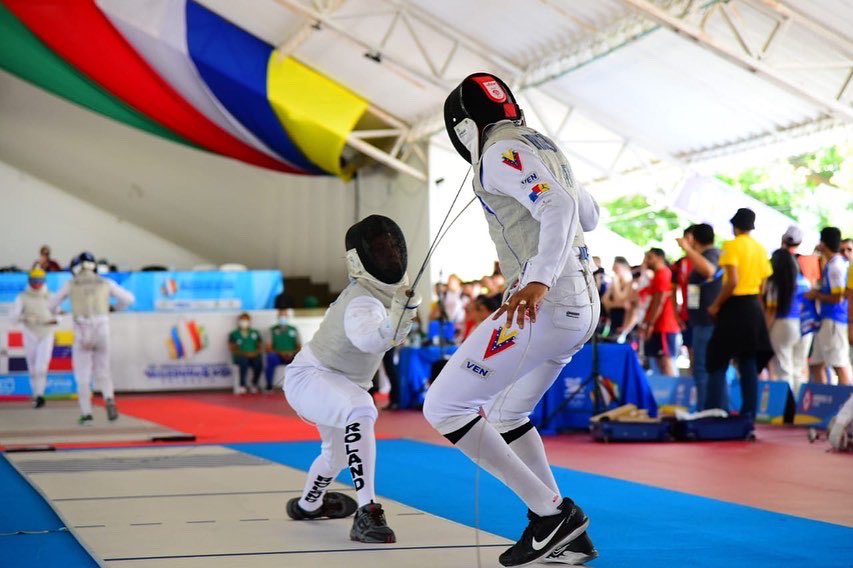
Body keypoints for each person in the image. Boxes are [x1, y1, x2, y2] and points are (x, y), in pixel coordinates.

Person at [425, 72, 599, 567]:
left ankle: (551, 516)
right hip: (582, 305)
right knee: (505, 415)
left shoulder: (500, 153)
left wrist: (538, 278)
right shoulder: (542, 145)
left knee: (444, 407)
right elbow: (589, 214)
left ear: (463, 126)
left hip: (544, 305)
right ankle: (566, 537)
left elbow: (560, 205)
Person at [284, 215, 419, 543]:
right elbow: (370, 341)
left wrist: (400, 315)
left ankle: (308, 505)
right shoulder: (362, 300)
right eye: (380, 250)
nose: (390, 255)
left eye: (392, 248)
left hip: (338, 383)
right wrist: (399, 319)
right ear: (361, 260)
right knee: (361, 408)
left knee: (338, 456)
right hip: (312, 376)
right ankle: (367, 510)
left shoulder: (382, 295)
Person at [49, 252, 134, 425]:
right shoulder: (106, 282)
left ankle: (87, 414)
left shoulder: (70, 284)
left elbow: (50, 305)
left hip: (82, 330)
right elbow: (129, 299)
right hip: (102, 328)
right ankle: (109, 398)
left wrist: (59, 312)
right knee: (103, 371)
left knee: (83, 375)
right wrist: (113, 308)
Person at [705, 209, 773, 418]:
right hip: (753, 306)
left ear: (735, 226)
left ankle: (715, 409)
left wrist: (716, 304)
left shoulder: (731, 245)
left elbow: (732, 281)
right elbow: (763, 285)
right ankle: (748, 413)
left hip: (734, 306)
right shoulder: (760, 249)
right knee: (748, 360)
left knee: (717, 358)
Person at [676, 223, 721, 410]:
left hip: (706, 321)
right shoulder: (704, 256)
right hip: (699, 320)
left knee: (702, 367)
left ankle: (705, 409)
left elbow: (709, 270)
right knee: (700, 366)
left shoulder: (712, 255)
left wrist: (688, 249)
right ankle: (706, 407)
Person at [807, 227, 850, 385]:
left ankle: (847, 398)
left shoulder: (836, 266)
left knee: (839, 365)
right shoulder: (832, 264)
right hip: (826, 319)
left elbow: (838, 297)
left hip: (834, 320)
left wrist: (816, 295)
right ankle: (823, 397)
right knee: (816, 365)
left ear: (823, 243)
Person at [10, 268, 57, 408]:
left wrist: (54, 320)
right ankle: (36, 395)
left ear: (44, 281)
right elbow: (13, 318)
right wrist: (24, 317)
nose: (37, 283)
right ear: (29, 281)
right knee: (32, 366)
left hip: (46, 333)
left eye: (39, 280)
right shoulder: (22, 297)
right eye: (34, 280)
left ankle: (40, 394)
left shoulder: (51, 296)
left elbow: (59, 313)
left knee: (41, 366)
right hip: (30, 333)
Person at [765, 248, 810, 390]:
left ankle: (786, 401)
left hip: (782, 324)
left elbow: (771, 310)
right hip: (804, 325)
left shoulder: (774, 283)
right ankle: (798, 400)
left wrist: (765, 330)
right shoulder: (804, 282)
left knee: (784, 368)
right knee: (799, 368)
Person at [639, 248, 680, 377]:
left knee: (665, 362)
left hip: (664, 325)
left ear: (659, 258)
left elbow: (659, 301)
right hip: (659, 325)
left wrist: (649, 323)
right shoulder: (658, 274)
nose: (646, 261)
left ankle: (671, 389)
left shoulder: (663, 273)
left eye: (650, 257)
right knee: (659, 361)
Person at [671, 226, 695, 373]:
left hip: (705, 316)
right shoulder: (679, 264)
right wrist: (677, 314)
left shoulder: (706, 260)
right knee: (691, 353)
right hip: (687, 315)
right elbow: (673, 291)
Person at [265, 308, 300, 391]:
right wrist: (281, 353)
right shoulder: (272, 330)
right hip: (277, 356)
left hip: (291, 356)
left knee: (301, 359)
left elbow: (299, 346)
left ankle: (297, 386)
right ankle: (269, 385)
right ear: (278, 317)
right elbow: (268, 348)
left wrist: (291, 353)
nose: (283, 317)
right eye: (281, 315)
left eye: (284, 315)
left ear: (287, 317)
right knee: (270, 357)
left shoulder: (294, 329)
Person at [229, 313, 264, 394]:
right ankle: (242, 385)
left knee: (258, 363)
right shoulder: (234, 334)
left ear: (249, 321)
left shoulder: (255, 332)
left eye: (246, 320)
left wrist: (254, 353)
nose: (244, 322)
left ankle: (254, 384)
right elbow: (231, 348)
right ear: (239, 321)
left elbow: (260, 346)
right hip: (240, 356)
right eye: (242, 320)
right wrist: (243, 353)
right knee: (243, 362)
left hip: (254, 355)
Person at [601, 256, 634, 341]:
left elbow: (622, 300)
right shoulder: (615, 283)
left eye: (616, 268)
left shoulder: (631, 283)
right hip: (614, 320)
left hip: (625, 324)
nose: (613, 270)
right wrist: (619, 304)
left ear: (625, 268)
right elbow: (604, 301)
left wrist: (615, 284)